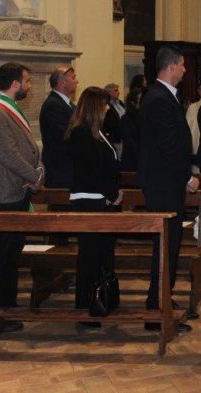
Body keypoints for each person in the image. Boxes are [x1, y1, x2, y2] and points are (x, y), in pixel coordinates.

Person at [137, 45, 198, 332]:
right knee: (165, 248)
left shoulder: (162, 96)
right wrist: (187, 176)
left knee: (169, 247)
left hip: (166, 183)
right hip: (164, 185)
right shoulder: (159, 99)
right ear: (171, 66)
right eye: (182, 65)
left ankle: (162, 300)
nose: (185, 70)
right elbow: (168, 145)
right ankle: (157, 309)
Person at [0, 62, 43, 331]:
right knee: (1, 258)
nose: (30, 85)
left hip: (16, 190)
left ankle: (8, 306)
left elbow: (23, 148)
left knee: (12, 256)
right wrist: (34, 175)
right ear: (15, 83)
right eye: (27, 81)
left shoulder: (9, 109)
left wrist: (36, 170)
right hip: (3, 194)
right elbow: (8, 154)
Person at [65, 86, 122, 328]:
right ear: (94, 107)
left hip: (100, 199)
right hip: (88, 200)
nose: (108, 108)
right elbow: (88, 172)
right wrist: (111, 193)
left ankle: (102, 301)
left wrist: (111, 192)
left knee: (102, 253)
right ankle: (85, 307)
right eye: (105, 104)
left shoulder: (97, 131)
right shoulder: (81, 133)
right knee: (89, 255)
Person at [39, 65, 78, 188]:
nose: (77, 81)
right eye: (73, 78)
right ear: (62, 82)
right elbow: (66, 136)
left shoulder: (69, 104)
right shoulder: (53, 105)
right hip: (60, 170)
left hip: (69, 168)